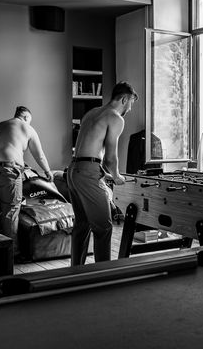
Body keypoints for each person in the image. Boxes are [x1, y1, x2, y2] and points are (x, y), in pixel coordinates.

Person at [68, 81, 138, 266]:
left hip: (73, 171)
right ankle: (103, 274)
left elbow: (89, 151)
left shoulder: (92, 112)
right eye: (131, 103)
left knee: (82, 225)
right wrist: (116, 176)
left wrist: (101, 172)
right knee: (104, 227)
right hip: (88, 173)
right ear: (125, 99)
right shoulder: (115, 117)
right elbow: (109, 158)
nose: (129, 109)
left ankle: (76, 271)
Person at [0, 106, 52, 260]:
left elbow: (4, 147)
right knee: (11, 210)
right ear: (26, 117)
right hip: (7, 168)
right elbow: (40, 156)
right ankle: (12, 254)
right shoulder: (27, 127)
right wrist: (48, 172)